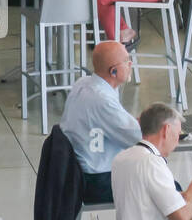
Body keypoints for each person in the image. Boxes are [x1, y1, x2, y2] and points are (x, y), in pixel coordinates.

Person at [58, 41, 140, 204]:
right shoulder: (102, 99)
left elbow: (118, 124)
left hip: (79, 172)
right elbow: (139, 139)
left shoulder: (84, 83)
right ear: (113, 71)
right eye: (126, 61)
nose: (131, 63)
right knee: (167, 189)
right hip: (96, 181)